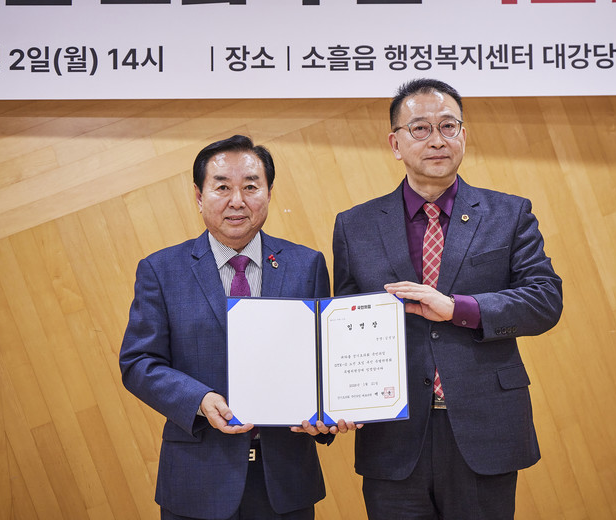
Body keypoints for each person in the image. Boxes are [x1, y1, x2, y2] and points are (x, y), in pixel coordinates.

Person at [332, 79, 563, 519]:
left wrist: (459, 309)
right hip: (393, 436)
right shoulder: (354, 226)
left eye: (448, 126)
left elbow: (545, 299)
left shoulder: (509, 214)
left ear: (463, 135)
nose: (437, 140)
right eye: (420, 128)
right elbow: (343, 326)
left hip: (484, 428)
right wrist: (337, 402)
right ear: (395, 143)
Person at [120, 135, 353, 520]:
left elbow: (322, 360)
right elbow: (139, 362)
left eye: (250, 186)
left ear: (269, 193)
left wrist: (327, 414)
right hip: (197, 479)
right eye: (222, 187)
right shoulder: (161, 270)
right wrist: (199, 399)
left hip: (285, 481)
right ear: (199, 196)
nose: (237, 201)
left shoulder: (306, 265)